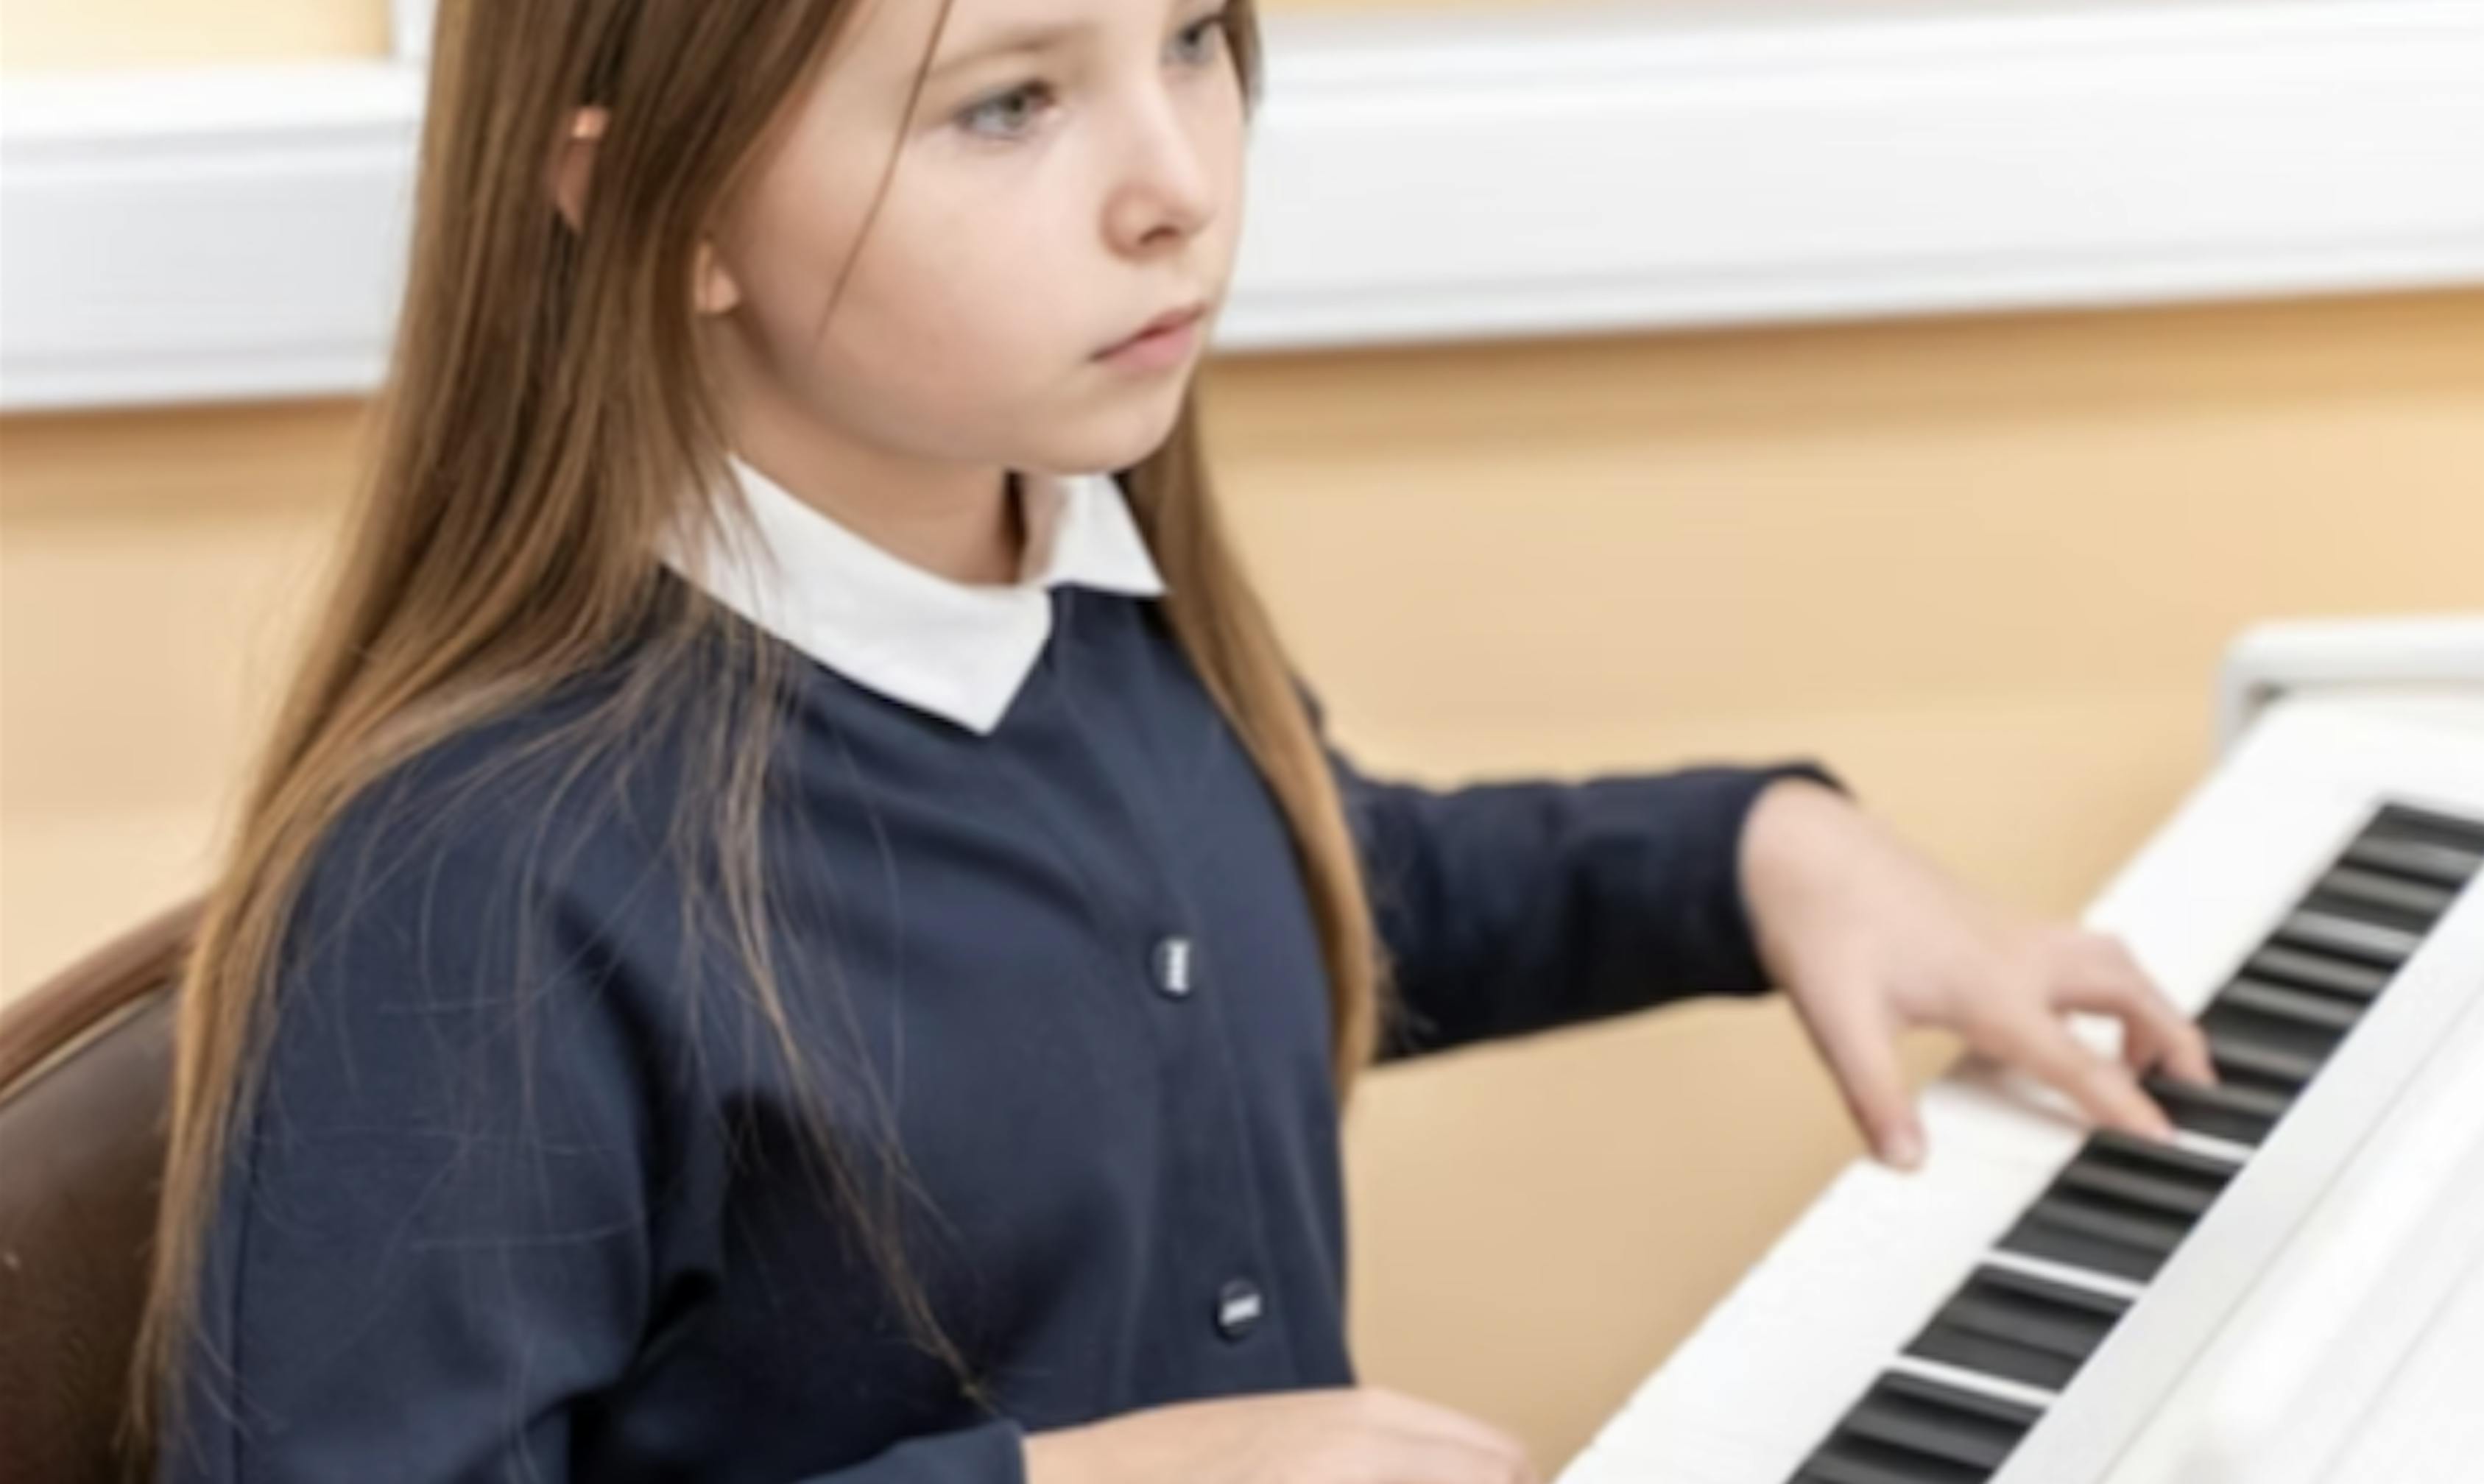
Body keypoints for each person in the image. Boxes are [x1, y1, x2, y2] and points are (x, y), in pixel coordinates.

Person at [130, 1, 2213, 1480]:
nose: (1179, 186)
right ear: (654, 207)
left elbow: (1284, 887)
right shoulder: (472, 885)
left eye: (1198, 35)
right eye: (1009, 101)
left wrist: (1759, 854)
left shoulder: (1087, 589)